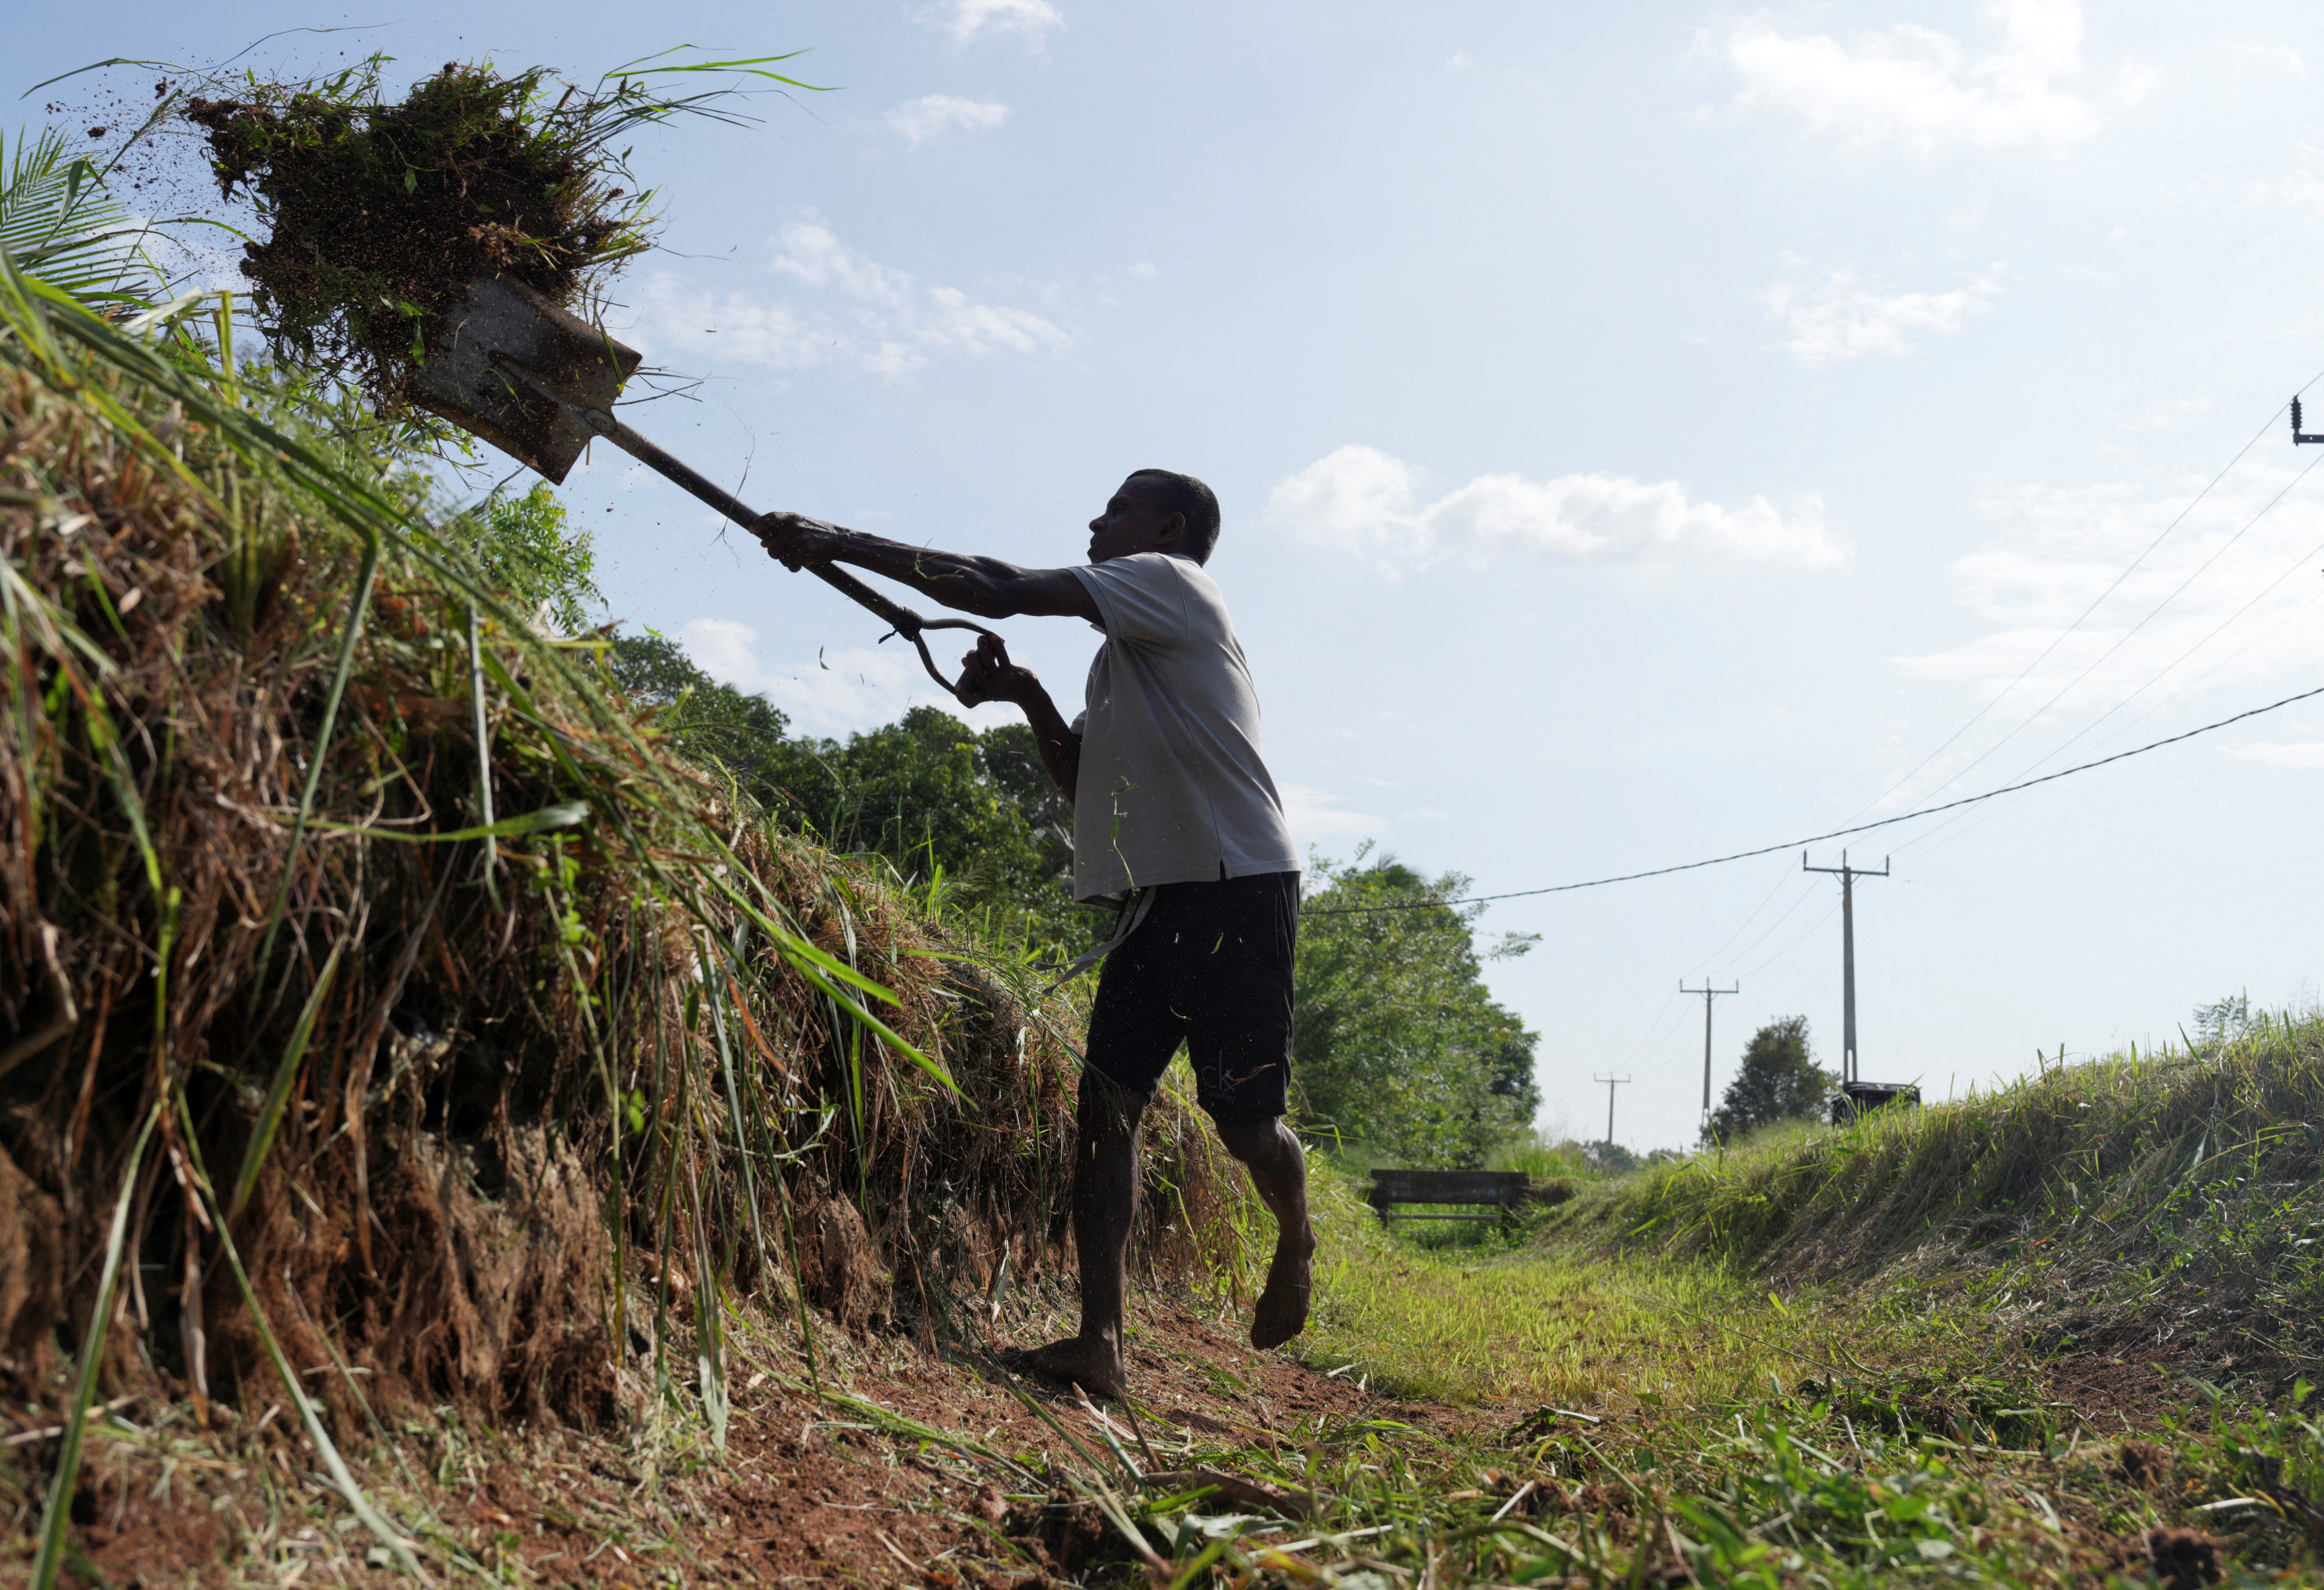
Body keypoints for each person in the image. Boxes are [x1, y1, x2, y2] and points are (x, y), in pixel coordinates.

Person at [753, 470, 1313, 1396]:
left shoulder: (1172, 584)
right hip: (1151, 905)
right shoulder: (1126, 651)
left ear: (1167, 527)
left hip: (1234, 890)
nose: (1097, 518)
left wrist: (836, 538)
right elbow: (1079, 776)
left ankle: (1294, 1233)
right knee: (1105, 1111)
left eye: (1118, 506)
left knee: (1246, 1123)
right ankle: (1100, 1340)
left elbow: (998, 585)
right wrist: (1023, 695)